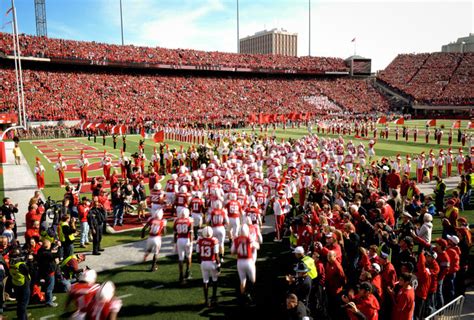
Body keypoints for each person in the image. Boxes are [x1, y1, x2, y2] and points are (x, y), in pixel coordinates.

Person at [232, 224, 257, 304]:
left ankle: (243, 297)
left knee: (242, 281)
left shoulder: (236, 239)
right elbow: (256, 246)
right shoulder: (250, 238)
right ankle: (250, 295)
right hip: (249, 261)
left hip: (240, 261)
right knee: (253, 280)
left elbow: (232, 251)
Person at [196, 226, 221, 307]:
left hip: (204, 262)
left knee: (205, 281)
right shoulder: (214, 240)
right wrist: (219, 265)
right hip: (212, 262)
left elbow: (198, 255)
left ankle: (206, 300)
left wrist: (201, 262)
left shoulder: (199, 240)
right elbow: (216, 255)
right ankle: (214, 297)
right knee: (215, 279)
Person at [9, 248, 31, 319]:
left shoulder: (11, 263)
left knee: (20, 302)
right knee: (23, 304)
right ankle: (22, 317)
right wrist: (30, 261)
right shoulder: (21, 265)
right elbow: (29, 271)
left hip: (16, 284)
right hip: (23, 285)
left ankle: (22, 316)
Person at [37, 239, 59, 307]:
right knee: (50, 287)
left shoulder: (41, 251)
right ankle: (49, 301)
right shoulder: (47, 254)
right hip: (49, 273)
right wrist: (59, 247)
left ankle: (48, 298)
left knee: (47, 286)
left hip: (44, 272)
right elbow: (57, 255)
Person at [174, 208, 194, 283]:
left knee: (181, 258)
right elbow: (191, 232)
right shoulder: (189, 221)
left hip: (179, 240)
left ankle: (181, 275)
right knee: (188, 256)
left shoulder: (176, 221)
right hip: (187, 239)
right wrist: (191, 242)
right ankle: (188, 271)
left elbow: (175, 233)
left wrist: (175, 243)